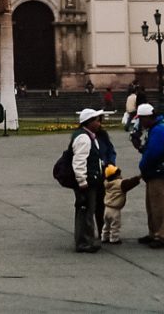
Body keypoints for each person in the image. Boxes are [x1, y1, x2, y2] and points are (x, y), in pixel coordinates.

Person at [136, 103, 164, 248]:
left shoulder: (159, 129)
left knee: (161, 204)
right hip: (155, 171)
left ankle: (162, 235)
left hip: (161, 171)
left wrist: (142, 165)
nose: (140, 123)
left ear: (148, 118)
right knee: (152, 204)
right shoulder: (156, 127)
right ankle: (154, 232)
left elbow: (154, 152)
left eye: (141, 119)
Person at [69, 108, 104, 253]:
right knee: (85, 211)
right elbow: (79, 161)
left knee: (88, 210)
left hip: (92, 179)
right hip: (87, 181)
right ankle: (83, 242)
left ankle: (87, 239)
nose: (99, 123)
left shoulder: (89, 136)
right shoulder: (83, 138)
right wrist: (82, 180)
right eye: (97, 120)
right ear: (88, 122)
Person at [101, 163, 141, 245]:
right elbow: (130, 183)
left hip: (107, 208)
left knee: (106, 224)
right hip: (115, 210)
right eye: (119, 174)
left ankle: (104, 237)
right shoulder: (120, 184)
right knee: (115, 225)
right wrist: (138, 177)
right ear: (115, 176)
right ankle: (114, 239)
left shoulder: (106, 183)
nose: (121, 176)